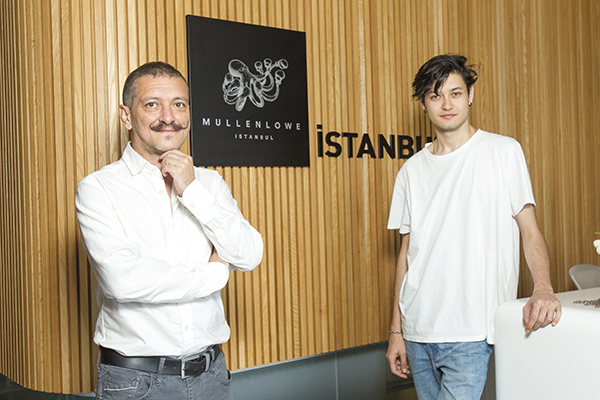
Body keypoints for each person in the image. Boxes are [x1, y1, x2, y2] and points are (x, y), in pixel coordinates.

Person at [76, 61, 263, 400]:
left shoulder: (208, 183)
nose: (168, 117)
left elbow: (249, 255)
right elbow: (123, 280)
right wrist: (214, 274)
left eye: (179, 104)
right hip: (136, 382)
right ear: (126, 116)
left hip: (212, 376)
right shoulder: (98, 188)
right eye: (152, 104)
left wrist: (192, 190)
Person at [385, 54, 562, 399]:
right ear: (423, 104)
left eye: (455, 93)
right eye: (435, 96)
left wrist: (543, 287)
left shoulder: (503, 151)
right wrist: (396, 331)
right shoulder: (410, 171)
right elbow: (406, 255)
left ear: (470, 95)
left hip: (472, 332)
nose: (446, 104)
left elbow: (530, 230)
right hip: (418, 332)